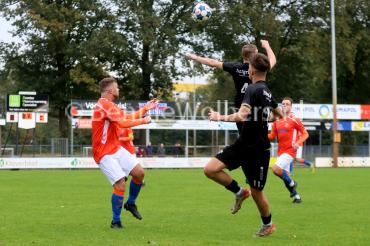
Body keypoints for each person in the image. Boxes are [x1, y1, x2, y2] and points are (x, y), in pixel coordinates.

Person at [206, 53, 282, 237]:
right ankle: (240, 191)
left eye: (248, 67)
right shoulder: (266, 91)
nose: (247, 69)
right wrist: (263, 118)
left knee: (257, 192)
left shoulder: (252, 89)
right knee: (211, 169)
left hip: (258, 149)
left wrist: (219, 117)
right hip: (243, 144)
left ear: (253, 70)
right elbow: (279, 114)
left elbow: (241, 116)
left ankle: (268, 225)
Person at [92, 77, 158, 229]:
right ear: (110, 90)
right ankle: (115, 221)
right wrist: (144, 120)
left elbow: (126, 117)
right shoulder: (103, 105)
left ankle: (131, 203)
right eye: (117, 87)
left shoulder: (109, 105)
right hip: (104, 153)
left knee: (139, 173)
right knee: (121, 184)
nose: (119, 89)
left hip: (115, 148)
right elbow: (122, 123)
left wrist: (145, 109)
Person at [186, 40, 276, 133]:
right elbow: (273, 60)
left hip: (241, 106)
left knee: (245, 137)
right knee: (258, 136)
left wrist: (195, 57)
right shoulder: (259, 68)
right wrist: (267, 46)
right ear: (255, 55)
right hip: (258, 105)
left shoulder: (235, 67)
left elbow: (212, 62)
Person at [268, 97, 309, 203]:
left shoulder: (294, 120)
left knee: (275, 169)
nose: (285, 105)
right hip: (281, 152)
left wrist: (298, 143)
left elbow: (305, 133)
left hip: (290, 151)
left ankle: (292, 183)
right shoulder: (277, 121)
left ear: (291, 106)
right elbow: (272, 136)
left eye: (287, 104)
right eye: (283, 104)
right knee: (285, 177)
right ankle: (297, 197)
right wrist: (261, 135)